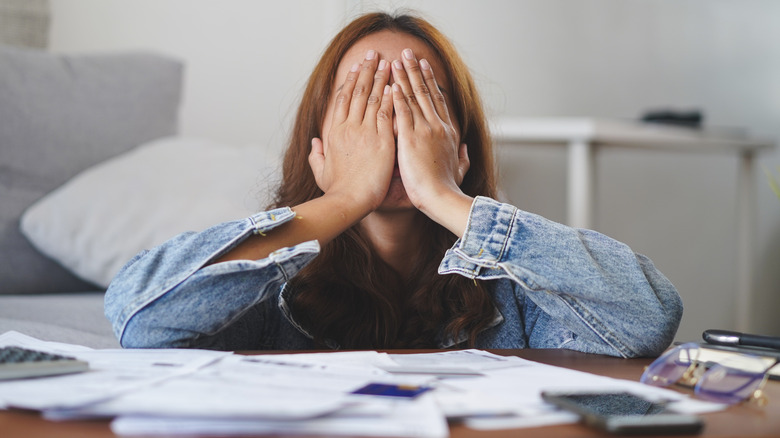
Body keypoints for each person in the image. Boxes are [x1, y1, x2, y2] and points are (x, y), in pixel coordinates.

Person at [105, 12, 682, 357]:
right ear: (320, 149)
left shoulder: (512, 290)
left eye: (414, 103)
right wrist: (341, 200)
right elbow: (138, 318)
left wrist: (445, 199)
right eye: (364, 105)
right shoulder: (269, 285)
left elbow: (649, 316)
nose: (392, 131)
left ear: (459, 149)